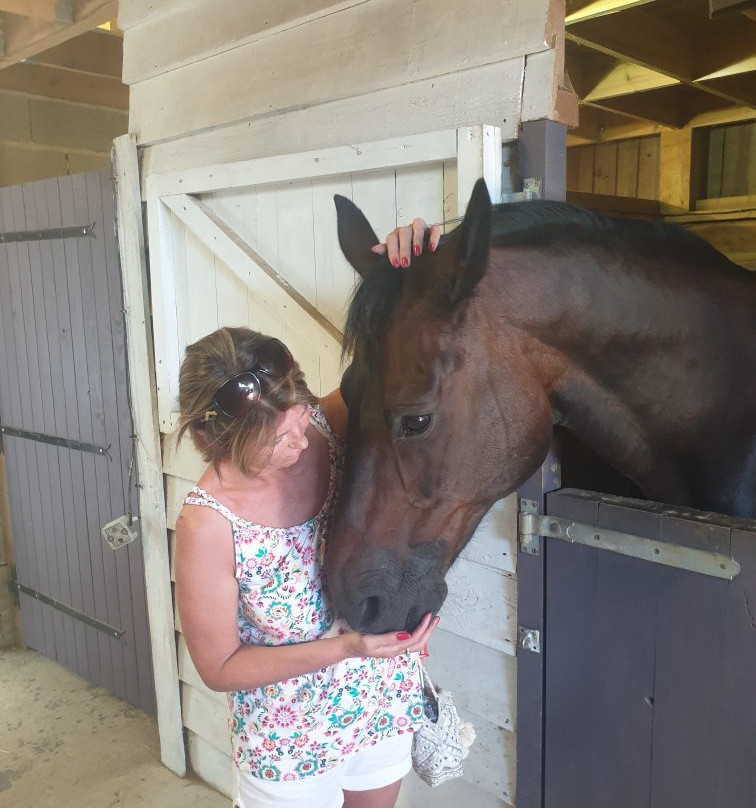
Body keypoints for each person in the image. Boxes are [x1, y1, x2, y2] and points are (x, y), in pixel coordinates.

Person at [174, 218, 443, 808]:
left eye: (297, 420)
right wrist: (344, 650)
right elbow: (219, 665)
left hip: (378, 699)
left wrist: (411, 262)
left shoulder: (327, 422)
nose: (299, 446)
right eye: (273, 444)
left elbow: (399, 349)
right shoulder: (208, 524)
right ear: (209, 438)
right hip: (288, 741)